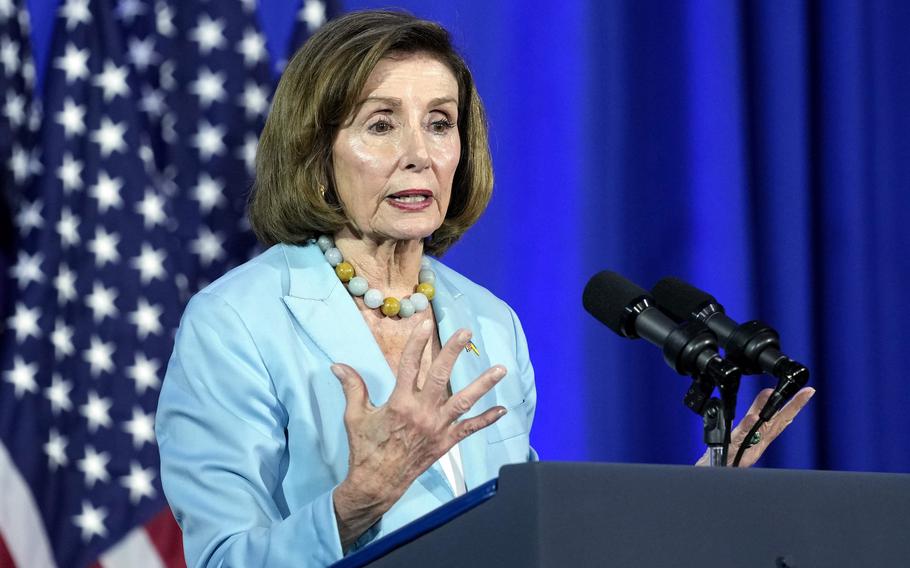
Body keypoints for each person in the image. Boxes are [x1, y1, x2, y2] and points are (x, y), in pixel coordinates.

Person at [155, 9, 814, 568]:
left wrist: (701, 496)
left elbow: (523, 538)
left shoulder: (488, 322)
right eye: (381, 124)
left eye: (440, 123)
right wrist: (362, 497)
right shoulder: (236, 321)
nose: (419, 152)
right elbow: (223, 558)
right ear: (316, 152)